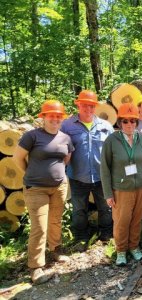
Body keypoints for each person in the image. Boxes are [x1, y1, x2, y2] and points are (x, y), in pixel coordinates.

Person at [13, 100, 73, 284]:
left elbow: (66, 159)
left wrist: (57, 175)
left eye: (58, 116)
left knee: (55, 220)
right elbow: (18, 159)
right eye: (51, 115)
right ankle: (36, 267)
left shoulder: (65, 138)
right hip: (35, 188)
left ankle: (55, 250)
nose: (55, 119)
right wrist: (33, 175)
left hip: (59, 187)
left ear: (61, 118)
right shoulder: (32, 136)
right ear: (44, 117)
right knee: (39, 226)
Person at [100, 103, 142, 266]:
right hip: (122, 189)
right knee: (122, 221)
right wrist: (108, 194)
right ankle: (121, 251)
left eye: (133, 121)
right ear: (119, 122)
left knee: (137, 219)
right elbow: (104, 168)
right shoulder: (112, 141)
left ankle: (134, 247)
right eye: (126, 121)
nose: (130, 125)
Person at [61, 90, 114, 251]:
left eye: (91, 106)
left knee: (105, 207)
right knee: (79, 209)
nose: (88, 109)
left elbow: (113, 150)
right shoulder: (67, 125)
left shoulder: (105, 126)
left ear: (95, 107)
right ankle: (81, 238)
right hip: (77, 176)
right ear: (78, 105)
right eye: (84, 105)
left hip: (101, 176)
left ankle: (106, 234)